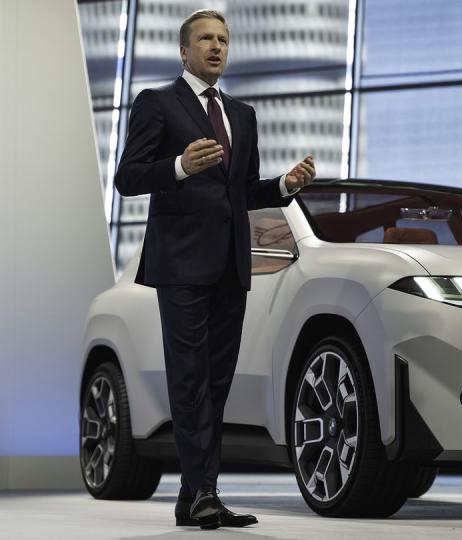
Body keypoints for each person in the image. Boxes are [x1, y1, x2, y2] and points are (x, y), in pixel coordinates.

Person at [114, 8, 316, 530]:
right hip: (180, 264)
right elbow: (127, 178)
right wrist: (180, 166)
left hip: (231, 265)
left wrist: (284, 187)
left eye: (223, 39)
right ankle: (200, 491)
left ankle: (198, 494)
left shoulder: (243, 115)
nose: (216, 46)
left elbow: (243, 191)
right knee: (188, 378)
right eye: (205, 38)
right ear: (185, 51)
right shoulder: (157, 104)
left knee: (216, 382)